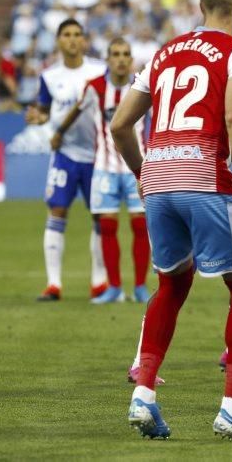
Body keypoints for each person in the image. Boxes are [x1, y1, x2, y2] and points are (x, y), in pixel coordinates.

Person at [110, 0, 232, 441]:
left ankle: (143, 396)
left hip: (159, 179)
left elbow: (121, 124)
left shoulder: (162, 53)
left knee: (171, 286)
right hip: (205, 178)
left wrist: (144, 171)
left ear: (201, 6)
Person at [51, 37, 150, 304]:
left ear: (131, 59)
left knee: (141, 227)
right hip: (104, 168)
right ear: (107, 58)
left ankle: (140, 287)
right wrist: (59, 132)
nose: (120, 58)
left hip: (137, 168)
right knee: (107, 227)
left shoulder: (142, 86)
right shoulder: (94, 87)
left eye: (125, 54)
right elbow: (76, 110)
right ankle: (114, 287)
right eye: (115, 54)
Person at [27, 19, 108, 302]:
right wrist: (39, 117)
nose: (72, 40)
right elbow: (46, 109)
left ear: (84, 40)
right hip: (64, 154)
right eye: (67, 35)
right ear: (59, 41)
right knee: (57, 211)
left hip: (97, 155)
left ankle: (99, 282)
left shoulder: (99, 70)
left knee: (99, 216)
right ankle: (53, 284)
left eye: (77, 35)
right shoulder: (49, 76)